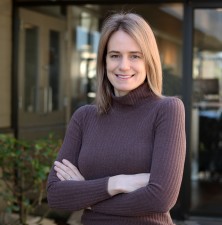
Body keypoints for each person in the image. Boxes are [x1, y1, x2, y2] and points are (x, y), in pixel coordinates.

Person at [47, 12, 186, 225]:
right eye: (115, 55)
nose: (123, 66)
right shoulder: (84, 117)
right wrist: (117, 183)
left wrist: (88, 198)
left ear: (149, 61)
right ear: (104, 60)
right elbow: (56, 194)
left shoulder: (167, 110)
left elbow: (160, 199)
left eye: (135, 56)